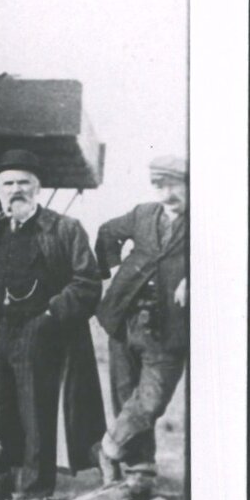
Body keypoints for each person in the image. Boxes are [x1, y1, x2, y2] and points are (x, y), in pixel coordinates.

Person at [0, 149, 104, 498]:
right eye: (8, 183)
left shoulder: (65, 229)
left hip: (37, 335)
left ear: (37, 187)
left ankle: (35, 495)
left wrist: (51, 314)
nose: (15, 189)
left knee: (36, 416)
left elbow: (87, 282)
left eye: (23, 183)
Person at [92, 154, 189, 482]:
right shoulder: (143, 214)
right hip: (123, 319)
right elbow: (107, 232)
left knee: (150, 400)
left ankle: (108, 447)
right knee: (125, 394)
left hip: (168, 329)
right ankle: (139, 468)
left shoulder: (205, 223)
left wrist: (194, 278)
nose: (166, 194)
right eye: (159, 186)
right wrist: (110, 270)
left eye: (174, 185)